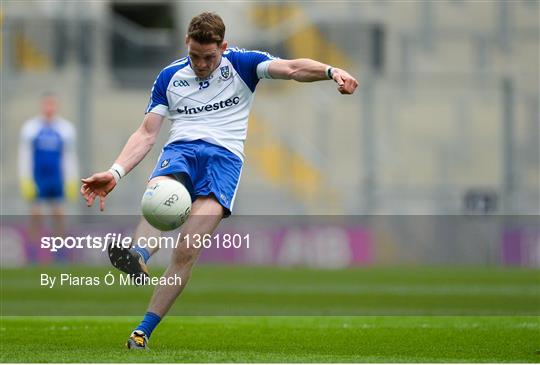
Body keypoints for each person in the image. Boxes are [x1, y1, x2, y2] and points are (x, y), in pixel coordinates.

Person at [80, 12, 358, 350]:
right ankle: (137, 253)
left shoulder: (243, 64)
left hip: (224, 162)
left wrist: (331, 71)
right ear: (187, 44)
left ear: (222, 47)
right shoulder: (170, 76)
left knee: (186, 249)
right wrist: (115, 172)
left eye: (208, 57)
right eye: (195, 55)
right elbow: (146, 133)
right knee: (159, 199)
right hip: (181, 150)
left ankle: (143, 330)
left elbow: (292, 69)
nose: (200, 63)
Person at [19, 92, 78, 260]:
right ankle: (31, 254)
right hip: (38, 178)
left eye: (52, 105)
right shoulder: (31, 128)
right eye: (47, 104)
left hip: (57, 178)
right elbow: (25, 156)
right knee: (36, 214)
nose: (49, 108)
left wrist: (71, 180)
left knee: (59, 214)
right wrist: (26, 179)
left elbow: (69, 157)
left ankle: (61, 255)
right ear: (42, 106)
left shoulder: (65, 129)